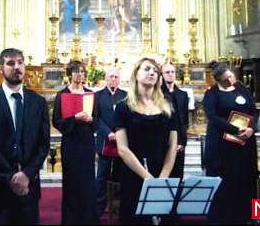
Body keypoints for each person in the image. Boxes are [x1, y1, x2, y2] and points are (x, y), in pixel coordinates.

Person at [0, 48, 50, 224]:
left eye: (20, 62)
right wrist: (11, 177)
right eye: (10, 63)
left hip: (27, 190)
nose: (17, 67)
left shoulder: (38, 102)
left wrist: (27, 175)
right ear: (0, 68)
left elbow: (43, 143)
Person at [114, 58, 178, 225]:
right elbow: (122, 148)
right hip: (135, 174)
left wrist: (162, 177)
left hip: (163, 172)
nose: (152, 73)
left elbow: (173, 146)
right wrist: (147, 177)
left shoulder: (168, 106)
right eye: (147, 69)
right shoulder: (123, 107)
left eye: (155, 71)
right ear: (136, 74)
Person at [203, 63, 259, 224]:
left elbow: (253, 110)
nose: (230, 80)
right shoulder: (212, 93)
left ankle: (245, 217)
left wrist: (251, 128)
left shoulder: (242, 89)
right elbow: (212, 117)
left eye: (231, 76)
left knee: (243, 181)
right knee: (225, 185)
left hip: (244, 144)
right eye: (226, 79)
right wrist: (235, 129)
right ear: (218, 80)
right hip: (222, 146)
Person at [53, 60, 99, 224]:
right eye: (77, 71)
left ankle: (88, 219)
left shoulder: (91, 94)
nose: (80, 74)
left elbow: (98, 121)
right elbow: (56, 121)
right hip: (71, 142)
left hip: (86, 142)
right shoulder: (62, 94)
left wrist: (91, 119)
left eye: (82, 71)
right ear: (69, 74)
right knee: (71, 181)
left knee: (87, 182)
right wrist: (74, 119)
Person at [95, 68, 127, 217]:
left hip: (121, 141)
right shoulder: (98, 96)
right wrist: (108, 132)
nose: (113, 79)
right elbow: (96, 118)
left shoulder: (125, 96)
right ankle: (99, 207)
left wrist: (119, 134)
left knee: (119, 175)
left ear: (119, 79)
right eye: (111, 76)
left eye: (116, 76)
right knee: (102, 175)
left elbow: (128, 116)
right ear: (106, 78)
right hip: (105, 141)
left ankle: (117, 206)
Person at [161, 62, 189, 180]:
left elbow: (185, 121)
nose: (170, 74)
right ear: (162, 75)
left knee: (178, 174)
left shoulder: (183, 95)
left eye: (172, 72)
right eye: (167, 72)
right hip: (163, 141)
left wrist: (182, 141)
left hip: (179, 141)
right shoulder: (158, 94)